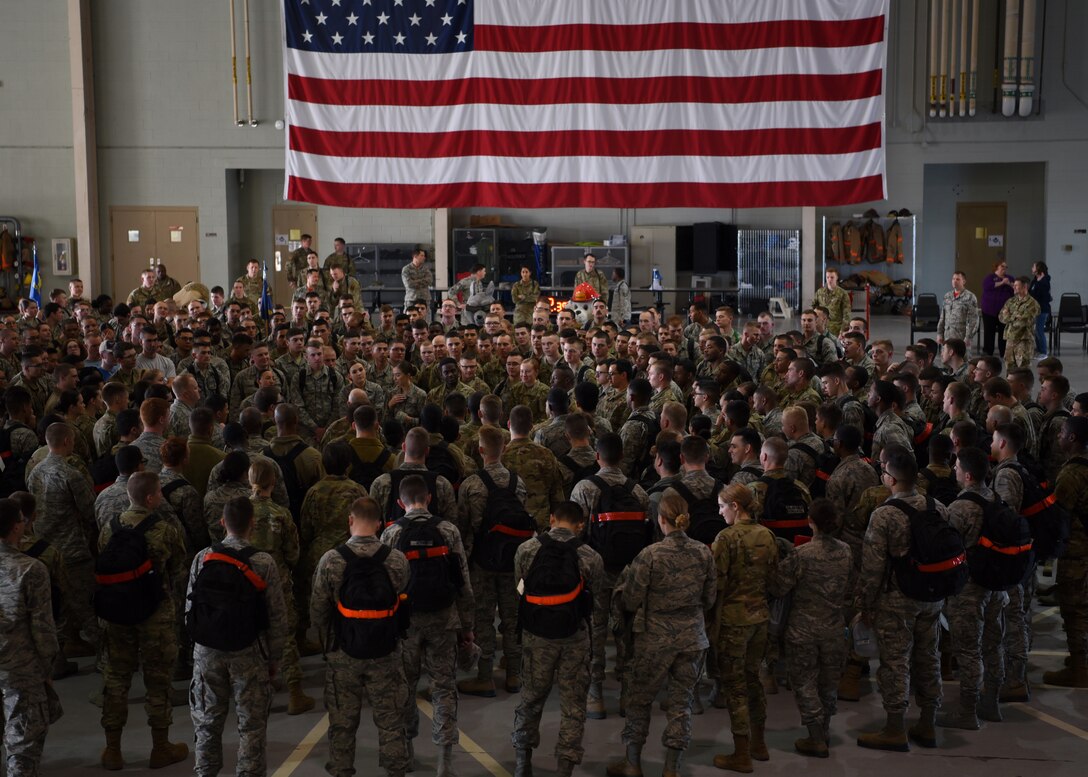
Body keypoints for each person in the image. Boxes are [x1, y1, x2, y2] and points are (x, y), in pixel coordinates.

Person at [606, 490, 716, 777]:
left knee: (640, 701)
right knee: (682, 705)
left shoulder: (650, 555)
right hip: (692, 637)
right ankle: (672, 769)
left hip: (655, 639)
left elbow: (630, 599)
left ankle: (632, 763)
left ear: (661, 520)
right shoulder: (703, 552)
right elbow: (710, 598)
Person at [380, 474, 474, 777]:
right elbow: (463, 582)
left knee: (404, 684)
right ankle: (444, 758)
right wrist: (467, 627)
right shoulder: (448, 530)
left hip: (406, 623)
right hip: (444, 618)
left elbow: (386, 585)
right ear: (429, 498)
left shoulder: (391, 534)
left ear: (399, 502)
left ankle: (406, 749)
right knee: (444, 687)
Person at [187, 496, 288, 777]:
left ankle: (206, 772)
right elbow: (277, 617)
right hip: (248, 651)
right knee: (252, 725)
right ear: (252, 525)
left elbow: (189, 608)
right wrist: (274, 660)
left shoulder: (202, 557)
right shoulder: (263, 562)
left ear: (222, 523)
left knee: (207, 721)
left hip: (207, 651)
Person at [312, 496, 412, 777]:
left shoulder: (331, 560)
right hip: (386, 651)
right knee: (391, 720)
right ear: (379, 524)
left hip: (344, 652)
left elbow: (318, 611)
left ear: (350, 521)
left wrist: (329, 647)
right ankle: (395, 770)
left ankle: (342, 769)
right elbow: (404, 601)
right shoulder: (396, 559)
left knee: (342, 722)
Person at [855, 445, 945, 752]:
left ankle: (895, 727)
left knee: (895, 662)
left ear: (890, 479)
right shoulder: (937, 506)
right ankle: (928, 723)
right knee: (929, 656)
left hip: (897, 600)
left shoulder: (885, 515)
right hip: (933, 596)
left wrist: (866, 606)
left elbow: (872, 567)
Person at [97, 471, 189, 770]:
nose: (161, 495)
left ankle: (112, 750)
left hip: (115, 614)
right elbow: (178, 569)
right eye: (159, 492)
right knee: (157, 681)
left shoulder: (109, 528)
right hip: (155, 614)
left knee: (116, 679)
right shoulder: (164, 529)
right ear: (150, 498)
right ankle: (160, 748)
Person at [511, 501, 608, 777]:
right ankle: (564, 767)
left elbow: (519, 588)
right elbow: (598, 598)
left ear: (552, 519)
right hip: (574, 637)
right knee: (574, 705)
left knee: (530, 698)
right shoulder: (589, 556)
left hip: (536, 636)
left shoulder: (527, 549)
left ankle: (522, 762)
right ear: (580, 524)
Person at [768, 498, 852, 758]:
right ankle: (824, 731)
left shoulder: (802, 554)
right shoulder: (846, 551)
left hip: (802, 631)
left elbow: (779, 586)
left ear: (810, 522)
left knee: (804, 683)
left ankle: (815, 737)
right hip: (834, 629)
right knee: (828, 684)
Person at [456, 427, 530, 698]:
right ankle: (514, 674)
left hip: (482, 562)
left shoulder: (471, 484)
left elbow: (462, 527)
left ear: (480, 450)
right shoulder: (517, 482)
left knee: (483, 618)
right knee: (513, 618)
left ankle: (485, 677)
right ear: (505, 449)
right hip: (512, 562)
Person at [710, 483, 779, 772]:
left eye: (722, 506)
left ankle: (741, 753)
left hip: (733, 621)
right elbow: (774, 580)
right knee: (753, 680)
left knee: (734, 686)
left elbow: (717, 582)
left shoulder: (726, 538)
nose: (720, 511)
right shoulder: (767, 535)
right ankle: (759, 743)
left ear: (735, 506)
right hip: (760, 619)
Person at [0, 496, 60, 777]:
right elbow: (43, 630)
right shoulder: (31, 569)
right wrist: (47, 668)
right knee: (23, 747)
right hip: (21, 670)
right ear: (16, 527)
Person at [1044, 416, 1088, 688]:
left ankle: (1080, 667)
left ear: (1072, 438)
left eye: (1062, 431)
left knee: (1074, 610)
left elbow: (1058, 515)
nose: (1058, 435)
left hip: (1077, 551)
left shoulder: (1071, 474)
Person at [998, 276, 1041, 369]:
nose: (1013, 287)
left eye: (1016, 285)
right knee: (1009, 370)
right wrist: (1015, 316)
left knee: (1023, 371)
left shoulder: (1032, 303)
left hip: (1023, 341)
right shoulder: (1011, 301)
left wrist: (1009, 316)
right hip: (1010, 340)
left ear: (1025, 287)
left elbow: (1022, 323)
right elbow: (1001, 317)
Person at [937, 270, 981, 348]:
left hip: (962, 338)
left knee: (962, 359)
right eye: (953, 279)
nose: (954, 281)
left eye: (958, 279)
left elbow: (973, 320)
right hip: (947, 337)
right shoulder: (947, 296)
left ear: (964, 281)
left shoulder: (970, 297)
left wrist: (968, 337)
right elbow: (942, 317)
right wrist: (940, 333)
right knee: (947, 359)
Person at [980, 260, 1014, 356]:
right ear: (996, 267)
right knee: (989, 331)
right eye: (1002, 266)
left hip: (1005, 311)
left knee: (1003, 332)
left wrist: (1009, 284)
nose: (1004, 268)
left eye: (1006, 267)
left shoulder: (1010, 278)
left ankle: (1003, 351)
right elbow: (987, 287)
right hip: (989, 310)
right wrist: (1002, 282)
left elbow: (1016, 289)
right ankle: (988, 351)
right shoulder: (989, 278)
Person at [813, 267, 851, 336]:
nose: (829, 280)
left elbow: (847, 314)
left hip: (836, 329)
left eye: (832, 277)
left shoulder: (842, 293)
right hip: (821, 327)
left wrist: (843, 331)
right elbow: (813, 307)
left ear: (837, 278)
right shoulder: (820, 292)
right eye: (827, 277)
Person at [401, 248, 433, 318]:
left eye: (424, 256)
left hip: (424, 298)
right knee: (409, 319)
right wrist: (422, 281)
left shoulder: (425, 269)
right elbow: (409, 284)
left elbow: (429, 280)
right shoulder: (406, 269)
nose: (424, 258)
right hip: (411, 299)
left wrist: (414, 281)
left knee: (426, 320)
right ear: (415, 256)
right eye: (422, 256)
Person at [1029, 261, 1051, 357]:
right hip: (1034, 309)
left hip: (1042, 309)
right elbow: (1031, 292)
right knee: (1036, 330)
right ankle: (1038, 349)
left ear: (1038, 269)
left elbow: (1041, 294)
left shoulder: (1045, 281)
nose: (1032, 268)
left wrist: (1039, 282)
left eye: (1033, 267)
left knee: (1039, 330)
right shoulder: (1035, 280)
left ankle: (1043, 351)